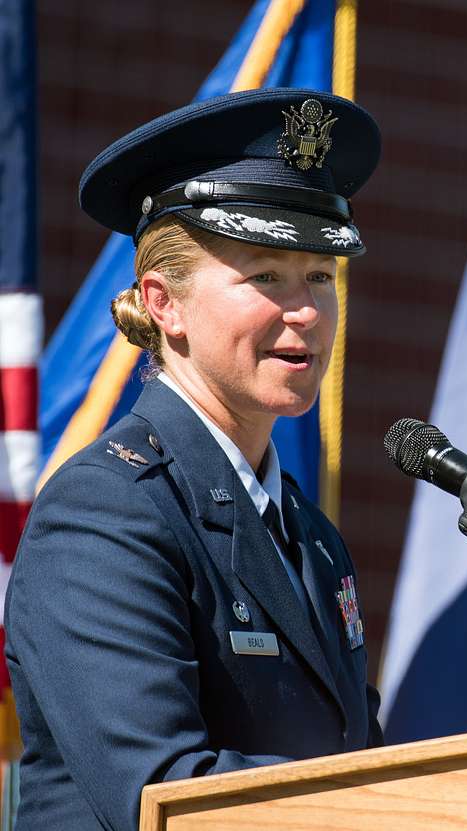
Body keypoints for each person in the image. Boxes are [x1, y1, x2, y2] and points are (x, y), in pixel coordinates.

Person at [4, 88, 384, 831]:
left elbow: (363, 762)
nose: (304, 309)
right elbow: (166, 795)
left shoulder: (310, 536)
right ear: (163, 302)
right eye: (265, 275)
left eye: (322, 276)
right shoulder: (105, 511)